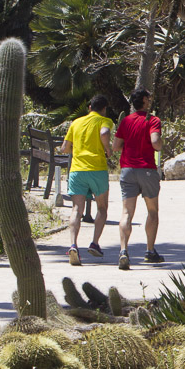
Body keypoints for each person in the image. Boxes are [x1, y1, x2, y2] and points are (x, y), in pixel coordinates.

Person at [113, 89, 164, 270]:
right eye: (148, 98)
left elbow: (115, 146)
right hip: (147, 170)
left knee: (127, 212)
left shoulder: (126, 121)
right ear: (144, 101)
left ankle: (123, 251)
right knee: (152, 211)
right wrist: (158, 144)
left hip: (127, 169)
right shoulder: (152, 120)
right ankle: (150, 251)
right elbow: (156, 142)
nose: (149, 101)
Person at [60, 95, 113, 266]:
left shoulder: (75, 123)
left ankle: (73, 245)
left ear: (89, 107)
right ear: (104, 109)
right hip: (97, 168)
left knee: (77, 208)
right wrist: (107, 149)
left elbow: (64, 148)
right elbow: (104, 133)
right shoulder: (104, 121)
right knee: (102, 208)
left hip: (77, 170)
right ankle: (95, 243)